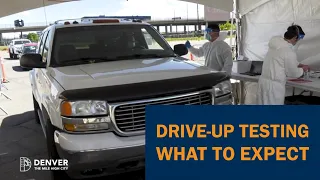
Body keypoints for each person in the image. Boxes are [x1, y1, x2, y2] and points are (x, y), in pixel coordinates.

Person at [256, 25, 310, 105]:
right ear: (295, 37)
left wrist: (299, 64)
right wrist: (303, 69)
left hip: (263, 83)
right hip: (274, 87)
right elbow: (293, 73)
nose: (297, 41)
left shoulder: (275, 45)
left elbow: (280, 59)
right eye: (298, 39)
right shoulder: (288, 51)